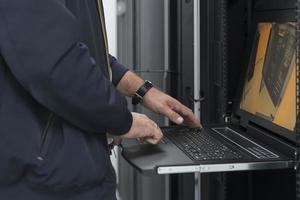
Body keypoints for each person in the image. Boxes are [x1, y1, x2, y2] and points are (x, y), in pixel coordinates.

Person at [0, 0, 201, 199]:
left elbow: (71, 45)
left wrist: (142, 90)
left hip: (60, 168)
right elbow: (56, 65)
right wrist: (122, 121)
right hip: (44, 177)